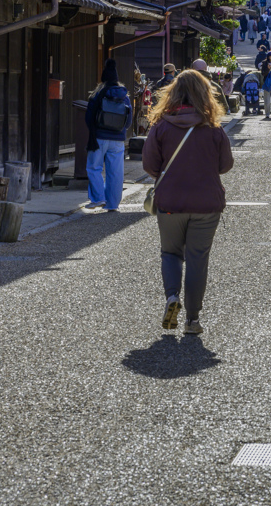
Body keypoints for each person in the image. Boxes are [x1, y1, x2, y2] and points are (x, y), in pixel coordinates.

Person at [142, 69, 234, 333]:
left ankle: (172, 297)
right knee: (197, 258)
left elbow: (149, 165)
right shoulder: (213, 128)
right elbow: (225, 165)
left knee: (170, 253)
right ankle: (192, 320)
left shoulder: (161, 126)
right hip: (206, 203)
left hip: (170, 202)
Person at [84, 58, 133, 210]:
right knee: (116, 172)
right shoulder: (124, 96)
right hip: (118, 139)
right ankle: (112, 204)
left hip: (99, 137)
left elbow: (89, 117)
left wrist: (95, 130)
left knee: (94, 167)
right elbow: (129, 121)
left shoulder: (98, 94)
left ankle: (98, 198)